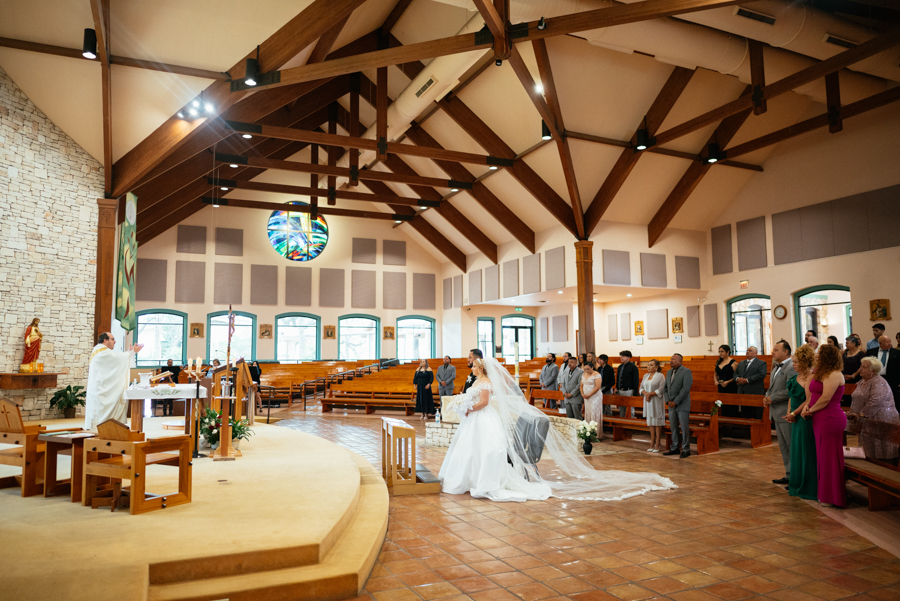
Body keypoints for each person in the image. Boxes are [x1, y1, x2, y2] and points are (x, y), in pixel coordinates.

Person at [438, 356, 676, 501]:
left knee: (486, 450)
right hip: (474, 420)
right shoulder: (477, 381)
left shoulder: (486, 382)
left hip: (481, 417)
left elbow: (484, 402)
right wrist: (464, 404)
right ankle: (467, 478)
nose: (471, 368)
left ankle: (484, 481)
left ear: (480, 369)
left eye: (473, 366)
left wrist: (469, 408)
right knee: (470, 450)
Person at [800, 344, 846, 508]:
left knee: (829, 458)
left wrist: (810, 410)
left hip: (830, 418)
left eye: (820, 354)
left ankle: (832, 496)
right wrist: (807, 406)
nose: (817, 355)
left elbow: (826, 398)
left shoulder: (834, 374)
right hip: (819, 417)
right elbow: (812, 393)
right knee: (822, 457)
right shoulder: (822, 373)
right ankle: (825, 493)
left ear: (827, 357)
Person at [84, 333, 144, 430]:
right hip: (100, 390)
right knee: (100, 419)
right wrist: (132, 352)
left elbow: (116, 359)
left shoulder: (99, 351)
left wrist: (130, 352)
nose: (115, 341)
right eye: (112, 339)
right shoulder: (103, 352)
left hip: (98, 388)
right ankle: (103, 430)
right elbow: (118, 359)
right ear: (105, 340)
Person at [848, 356, 900, 462]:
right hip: (866, 418)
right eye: (861, 366)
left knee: (880, 447)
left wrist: (861, 414)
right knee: (868, 446)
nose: (860, 369)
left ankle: (884, 469)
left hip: (881, 418)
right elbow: (856, 398)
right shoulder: (862, 381)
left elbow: (876, 401)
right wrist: (852, 411)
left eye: (864, 367)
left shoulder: (879, 381)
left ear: (873, 370)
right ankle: (869, 463)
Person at [784, 344, 816, 499]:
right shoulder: (794, 378)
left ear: (804, 362)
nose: (794, 365)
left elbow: (809, 400)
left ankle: (807, 485)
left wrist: (794, 413)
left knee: (805, 451)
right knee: (796, 450)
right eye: (793, 362)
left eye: (796, 362)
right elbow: (792, 397)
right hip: (795, 418)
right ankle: (796, 483)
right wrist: (789, 412)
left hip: (804, 419)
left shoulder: (811, 377)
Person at [766, 340, 798, 486]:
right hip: (776, 411)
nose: (773, 352)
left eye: (776, 350)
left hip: (786, 411)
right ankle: (788, 474)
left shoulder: (791, 367)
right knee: (783, 446)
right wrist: (766, 396)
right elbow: (772, 387)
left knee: (791, 446)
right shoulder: (775, 367)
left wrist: (772, 398)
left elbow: (790, 390)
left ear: (786, 352)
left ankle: (795, 476)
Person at [663, 354, 693, 458]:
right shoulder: (668, 372)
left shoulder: (686, 371)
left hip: (682, 404)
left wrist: (675, 401)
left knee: (684, 427)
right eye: (670, 358)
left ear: (680, 361)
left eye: (673, 359)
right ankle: (675, 447)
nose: (671, 361)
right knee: (673, 427)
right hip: (671, 405)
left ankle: (686, 449)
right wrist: (667, 401)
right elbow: (665, 388)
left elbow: (685, 388)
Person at [867, 335, 900, 410]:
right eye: (887, 342)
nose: (890, 343)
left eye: (890, 341)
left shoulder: (897, 353)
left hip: (892, 380)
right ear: (880, 343)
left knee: (893, 399)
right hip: (875, 380)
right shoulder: (871, 352)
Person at [640, 359, 666, 453]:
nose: (648, 367)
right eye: (648, 365)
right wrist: (646, 394)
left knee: (657, 422)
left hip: (656, 400)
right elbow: (641, 388)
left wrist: (650, 394)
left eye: (651, 365)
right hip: (647, 401)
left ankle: (658, 443)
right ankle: (652, 442)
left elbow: (662, 388)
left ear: (656, 367)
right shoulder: (645, 376)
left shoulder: (660, 376)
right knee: (651, 422)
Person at [735, 346, 766, 418]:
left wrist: (747, 380)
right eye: (747, 350)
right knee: (745, 414)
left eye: (750, 350)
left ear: (755, 353)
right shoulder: (741, 363)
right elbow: (735, 373)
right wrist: (737, 379)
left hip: (755, 392)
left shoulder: (761, 363)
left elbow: (761, 374)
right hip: (743, 392)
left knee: (756, 415)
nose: (747, 351)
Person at [614, 351, 639, 418]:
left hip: (629, 390)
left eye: (623, 356)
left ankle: (631, 422)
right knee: (621, 409)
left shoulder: (633, 367)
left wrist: (635, 392)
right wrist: (616, 387)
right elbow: (618, 378)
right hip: (620, 390)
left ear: (628, 357)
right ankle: (622, 422)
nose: (621, 358)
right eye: (621, 356)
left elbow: (635, 380)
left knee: (630, 409)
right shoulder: (620, 366)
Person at [715, 345, 737, 417]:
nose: (720, 353)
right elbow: (715, 374)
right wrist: (716, 381)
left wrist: (728, 382)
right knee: (721, 404)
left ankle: (732, 422)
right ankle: (722, 420)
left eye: (722, 351)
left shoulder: (733, 362)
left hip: (730, 386)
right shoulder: (719, 362)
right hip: (721, 386)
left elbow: (737, 376)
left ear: (727, 352)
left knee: (730, 406)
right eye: (719, 352)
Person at [580, 361, 602, 425]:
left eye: (588, 369)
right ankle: (588, 429)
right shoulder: (584, 374)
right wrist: (582, 394)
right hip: (586, 397)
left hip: (595, 397)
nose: (586, 371)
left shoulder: (596, 374)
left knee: (594, 411)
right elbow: (581, 385)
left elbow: (598, 387)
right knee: (588, 412)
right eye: (585, 369)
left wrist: (589, 394)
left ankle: (595, 431)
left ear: (592, 367)